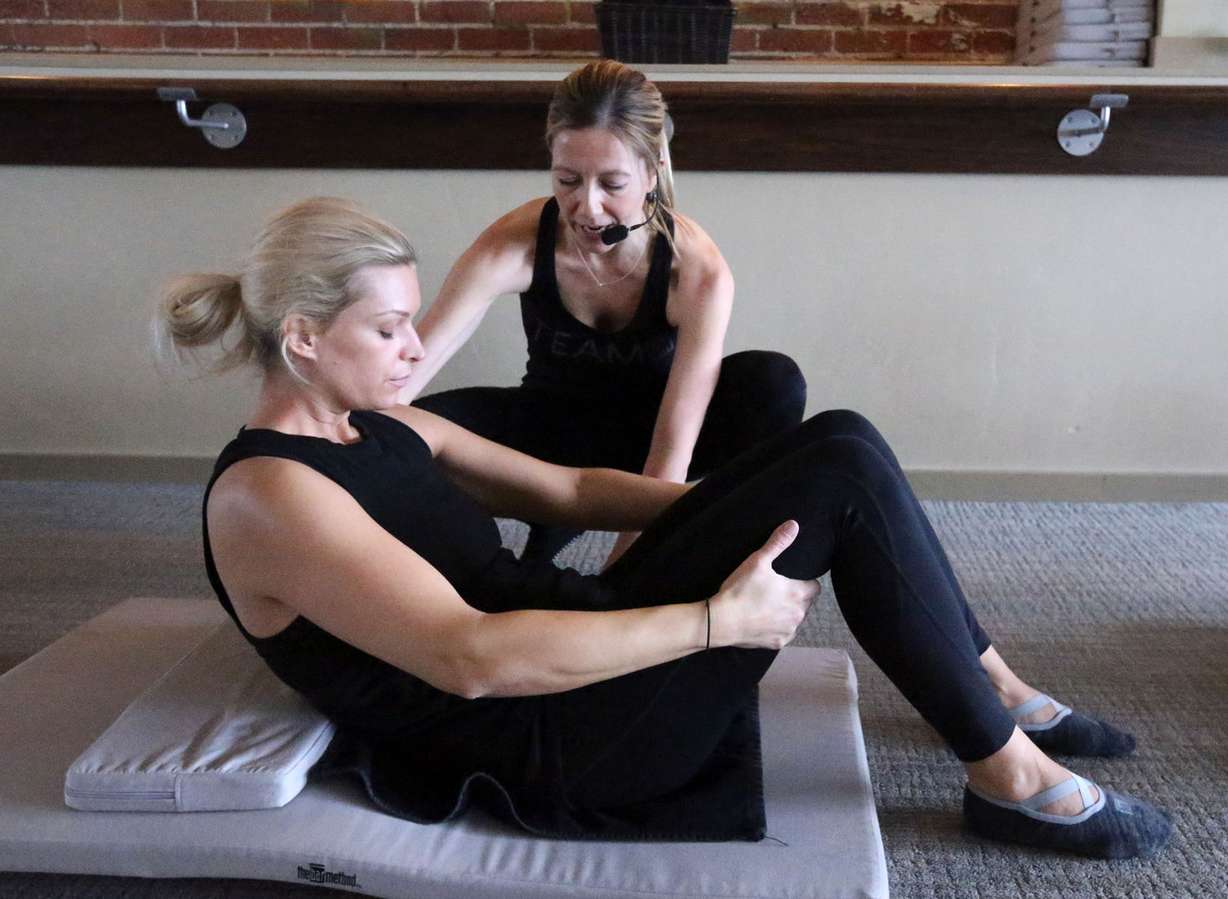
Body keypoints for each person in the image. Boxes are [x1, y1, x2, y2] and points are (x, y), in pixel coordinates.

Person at [159, 196, 1170, 860]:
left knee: (836, 446)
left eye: (413, 320)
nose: (415, 347)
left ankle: (998, 709)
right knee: (834, 475)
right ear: (300, 337)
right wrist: (716, 620)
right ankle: (1012, 767)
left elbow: (564, 491)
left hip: (575, 639)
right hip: (552, 731)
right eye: (389, 328)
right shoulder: (269, 495)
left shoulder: (377, 420)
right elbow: (469, 658)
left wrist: (744, 498)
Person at [408, 60, 806, 564]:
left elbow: (672, 448)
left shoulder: (696, 271)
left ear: (651, 173)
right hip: (547, 433)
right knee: (403, 431)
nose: (587, 208)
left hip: (648, 435)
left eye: (612, 184)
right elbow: (408, 369)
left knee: (773, 381)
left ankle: (723, 555)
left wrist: (619, 584)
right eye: (567, 180)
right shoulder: (518, 243)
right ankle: (492, 563)